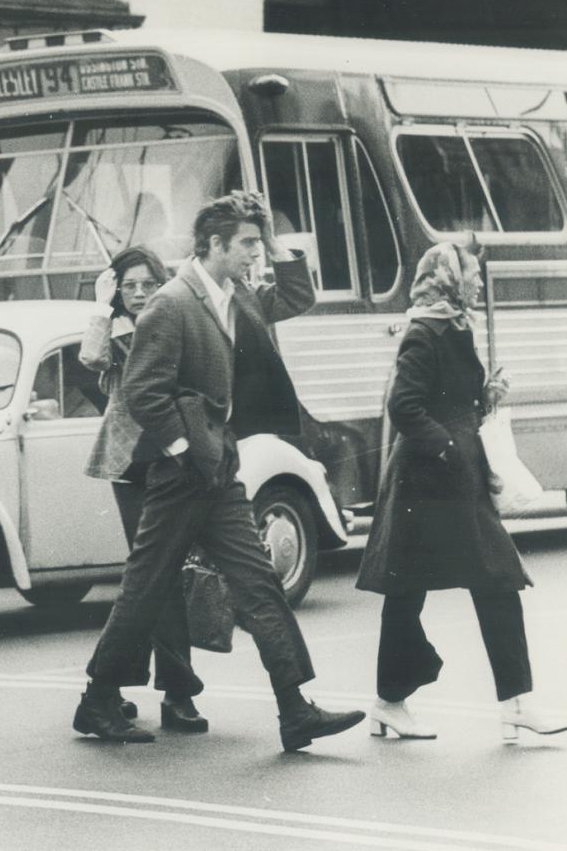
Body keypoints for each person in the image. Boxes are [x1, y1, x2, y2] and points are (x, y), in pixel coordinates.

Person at [76, 191, 365, 751]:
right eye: (248, 244)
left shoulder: (238, 295)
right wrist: (183, 447)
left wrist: (273, 238)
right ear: (213, 246)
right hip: (179, 474)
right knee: (146, 588)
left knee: (259, 584)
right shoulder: (171, 303)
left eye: (259, 244)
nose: (256, 254)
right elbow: (141, 392)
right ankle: (97, 700)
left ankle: (294, 709)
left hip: (220, 469)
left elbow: (299, 294)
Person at [356, 241, 567, 743]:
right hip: (430, 482)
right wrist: (450, 447)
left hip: (446, 481)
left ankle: (503, 701)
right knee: (427, 590)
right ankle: (394, 702)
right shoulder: (425, 331)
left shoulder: (451, 324)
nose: (477, 282)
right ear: (448, 278)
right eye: (470, 274)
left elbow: (442, 398)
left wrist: (485, 397)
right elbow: (403, 406)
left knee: (480, 582)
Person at [79, 247, 207, 733]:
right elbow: (89, 357)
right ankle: (172, 694)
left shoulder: (173, 321)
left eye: (146, 285)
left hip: (176, 456)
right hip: (133, 464)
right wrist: (100, 303)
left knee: (161, 577)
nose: (137, 294)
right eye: (128, 287)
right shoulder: (113, 331)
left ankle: (134, 688)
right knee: (152, 577)